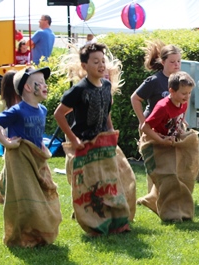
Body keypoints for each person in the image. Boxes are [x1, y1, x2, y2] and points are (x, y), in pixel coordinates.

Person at [54, 42, 136, 236]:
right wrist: (73, 140)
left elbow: (106, 113)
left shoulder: (106, 86)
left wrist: (111, 131)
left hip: (104, 142)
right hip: (85, 144)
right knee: (90, 187)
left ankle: (118, 223)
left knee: (111, 182)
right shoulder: (78, 90)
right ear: (84, 66)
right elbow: (59, 114)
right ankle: (94, 224)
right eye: (95, 61)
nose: (101, 65)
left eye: (103, 61)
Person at [0, 67, 62, 247]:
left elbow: (36, 133)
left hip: (37, 159)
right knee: (26, 199)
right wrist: (6, 142)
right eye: (40, 83)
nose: (45, 86)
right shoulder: (18, 110)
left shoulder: (42, 110)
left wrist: (41, 145)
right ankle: (22, 236)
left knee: (44, 194)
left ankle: (37, 232)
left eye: (45, 82)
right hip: (20, 160)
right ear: (28, 88)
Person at [138, 71, 199, 222]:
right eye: (184, 93)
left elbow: (180, 115)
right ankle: (170, 213)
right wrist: (160, 140)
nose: (187, 97)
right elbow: (145, 128)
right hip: (156, 143)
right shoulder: (162, 107)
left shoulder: (182, 103)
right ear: (171, 91)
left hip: (170, 142)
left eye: (189, 93)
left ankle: (153, 200)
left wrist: (180, 127)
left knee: (179, 173)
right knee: (168, 176)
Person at [131, 40, 182, 205]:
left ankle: (167, 195)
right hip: (152, 127)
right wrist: (142, 121)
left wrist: (181, 123)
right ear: (163, 62)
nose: (176, 65)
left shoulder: (180, 80)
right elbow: (135, 98)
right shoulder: (154, 81)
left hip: (170, 128)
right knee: (153, 164)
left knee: (171, 163)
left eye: (179, 61)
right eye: (172, 62)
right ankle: (150, 197)